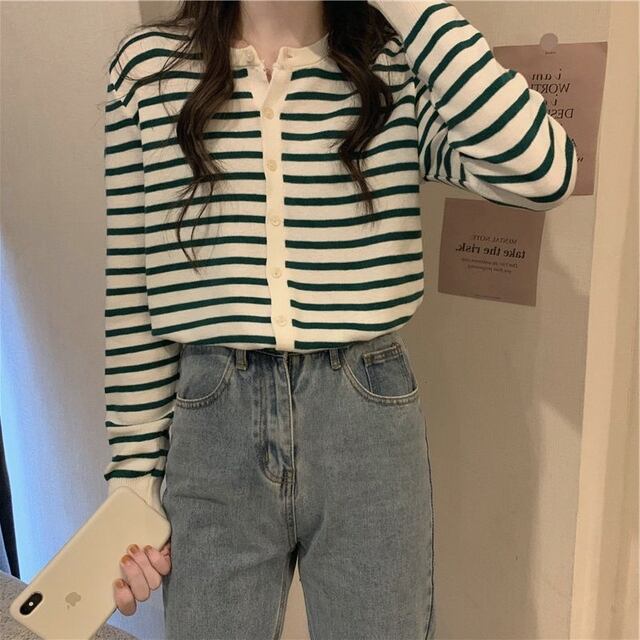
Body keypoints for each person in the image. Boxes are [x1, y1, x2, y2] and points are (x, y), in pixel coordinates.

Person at [102, 1, 577, 638]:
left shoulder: (396, 68)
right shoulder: (149, 68)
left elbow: (545, 172)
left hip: (366, 415)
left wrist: (408, 6)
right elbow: (132, 288)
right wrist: (132, 474)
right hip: (213, 420)